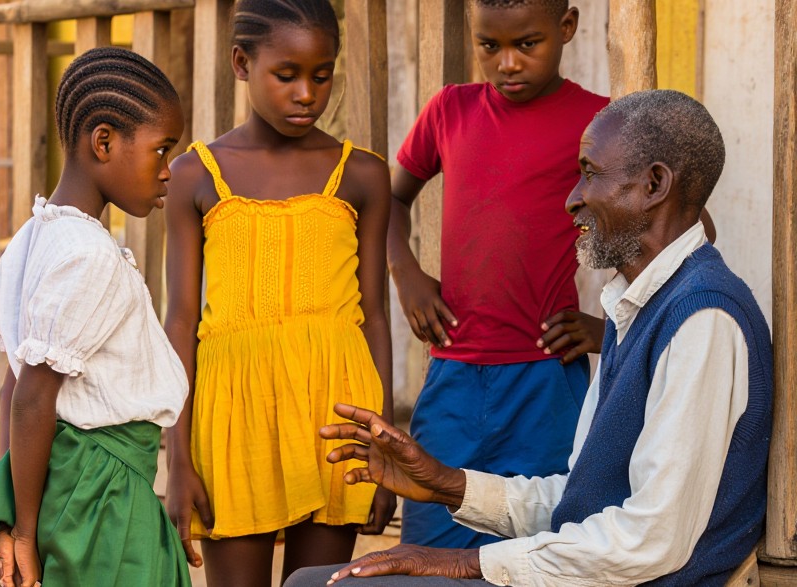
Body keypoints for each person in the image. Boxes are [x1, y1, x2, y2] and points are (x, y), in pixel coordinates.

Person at [286, 90, 772, 586]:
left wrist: (463, 563)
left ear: (654, 185)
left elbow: (650, 539)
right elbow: (579, 500)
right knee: (309, 581)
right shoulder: (639, 306)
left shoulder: (702, 319)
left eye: (589, 174)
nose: (572, 199)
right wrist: (445, 483)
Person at [162, 1, 395, 585]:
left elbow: (374, 317)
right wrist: (178, 456)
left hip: (336, 419)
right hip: (233, 418)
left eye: (322, 75)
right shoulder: (195, 174)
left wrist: (384, 444)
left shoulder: (362, 174)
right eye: (286, 75)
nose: (306, 94)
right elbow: (181, 320)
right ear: (242, 63)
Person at [0, 47, 189, 587]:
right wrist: (24, 534)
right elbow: (33, 396)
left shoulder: (32, 239)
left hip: (66, 488)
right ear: (103, 142)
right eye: (161, 150)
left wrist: (12, 516)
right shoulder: (88, 255)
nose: (167, 172)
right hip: (103, 501)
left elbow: (15, 387)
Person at [387, 0, 610, 549]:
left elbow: (678, 225)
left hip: (547, 378)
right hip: (453, 374)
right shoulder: (450, 110)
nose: (507, 63)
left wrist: (609, 332)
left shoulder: (601, 123)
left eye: (527, 44)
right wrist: (405, 272)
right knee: (429, 545)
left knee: (543, 543)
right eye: (490, 46)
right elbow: (391, 201)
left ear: (566, 27)